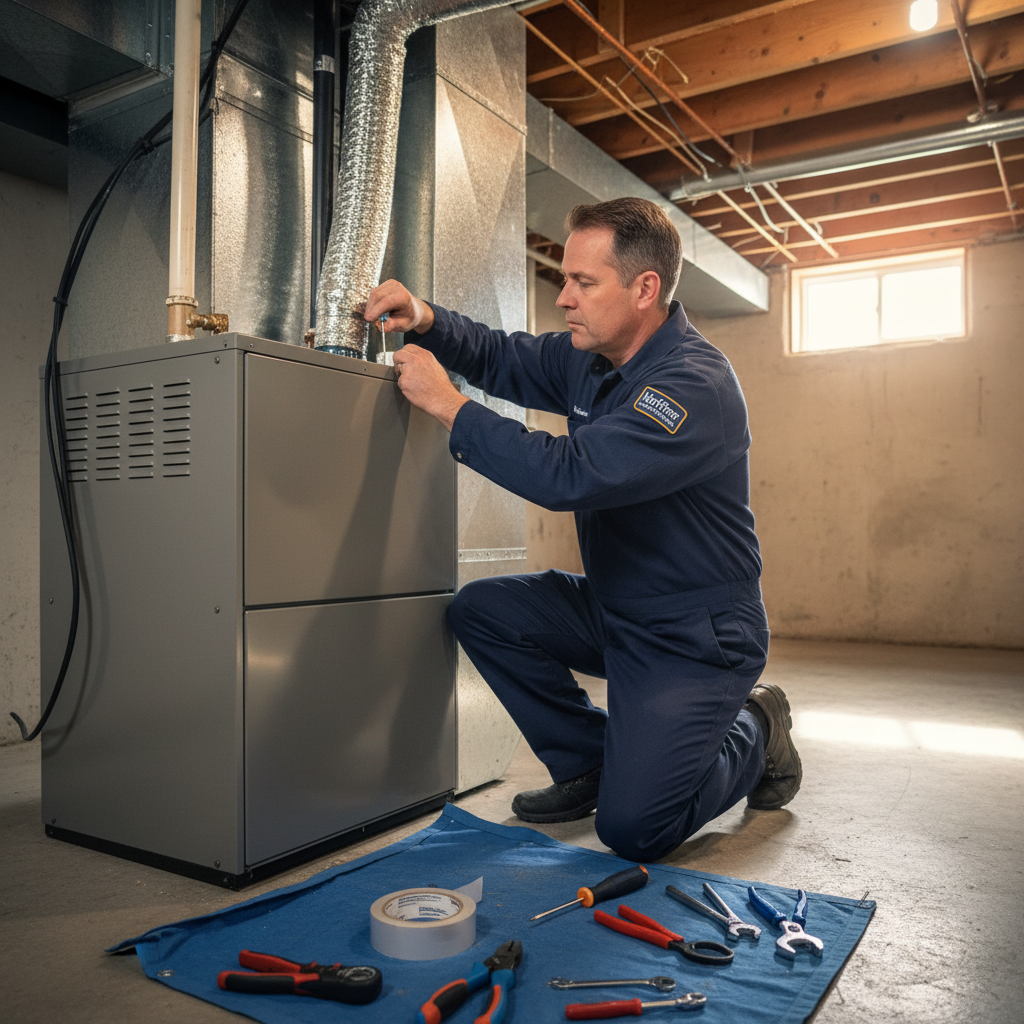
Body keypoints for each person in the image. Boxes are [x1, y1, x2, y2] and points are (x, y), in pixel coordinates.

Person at [365, 196, 801, 862]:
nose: (564, 297)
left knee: (635, 831)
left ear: (644, 288)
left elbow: (570, 474)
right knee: (484, 611)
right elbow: (501, 356)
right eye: (565, 279)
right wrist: (425, 317)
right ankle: (588, 762)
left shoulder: (691, 385)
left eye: (583, 282)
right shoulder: (592, 357)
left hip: (695, 635)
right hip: (616, 607)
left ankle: (757, 726)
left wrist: (449, 406)